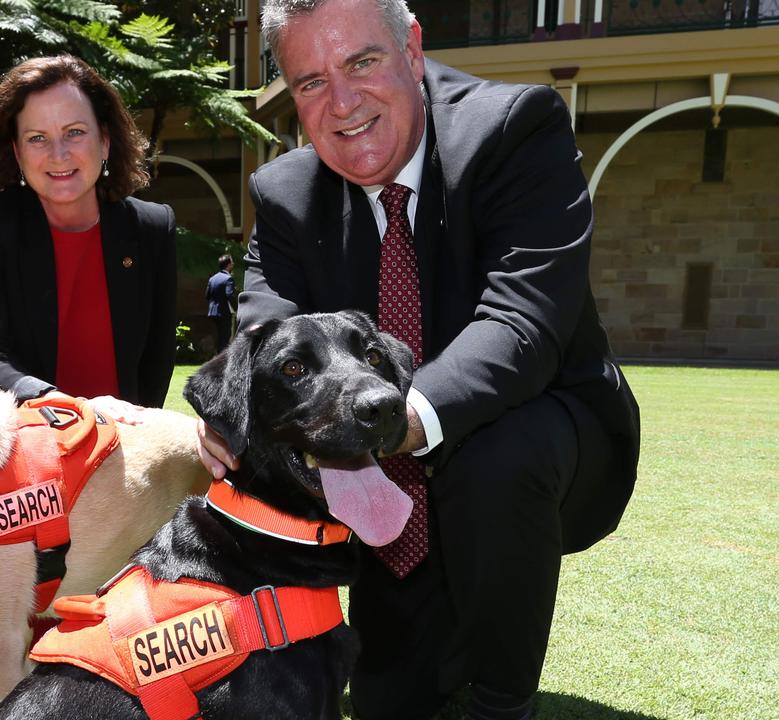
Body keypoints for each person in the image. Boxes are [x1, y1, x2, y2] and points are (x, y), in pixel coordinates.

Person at [196, 1, 642, 718]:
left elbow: (521, 322)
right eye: (310, 82)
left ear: (412, 48)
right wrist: (241, 405)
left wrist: (398, 417)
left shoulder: (514, 129)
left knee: (496, 450)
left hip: (543, 448)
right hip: (380, 482)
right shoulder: (283, 192)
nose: (341, 103)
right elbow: (268, 335)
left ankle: (503, 702)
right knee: (390, 700)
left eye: (361, 62)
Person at [0, 55, 177, 417]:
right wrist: (58, 406)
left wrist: (133, 432)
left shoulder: (151, 228)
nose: (59, 154)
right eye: (38, 138)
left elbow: (156, 361)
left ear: (105, 141)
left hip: (121, 445)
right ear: (17, 152)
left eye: (74, 132)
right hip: (24, 443)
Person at [205, 253, 235, 353]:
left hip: (212, 312)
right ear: (228, 264)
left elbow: (207, 296)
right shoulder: (228, 279)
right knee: (225, 338)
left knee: (218, 337)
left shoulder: (212, 278)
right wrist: (236, 308)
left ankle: (217, 357)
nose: (233, 264)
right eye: (232, 262)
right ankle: (222, 362)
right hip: (224, 312)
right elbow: (230, 295)